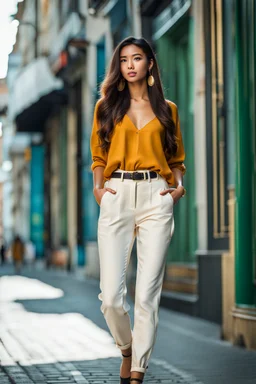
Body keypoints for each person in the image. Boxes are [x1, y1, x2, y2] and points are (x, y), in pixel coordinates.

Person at [90, 36, 186, 384]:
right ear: (120, 65)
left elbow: (176, 156)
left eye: (138, 58)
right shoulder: (106, 107)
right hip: (117, 194)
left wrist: (175, 188)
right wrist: (100, 190)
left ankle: (137, 372)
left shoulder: (167, 110)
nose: (131, 64)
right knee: (112, 299)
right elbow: (98, 155)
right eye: (125, 59)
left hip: (155, 196)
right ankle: (127, 349)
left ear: (150, 65)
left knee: (147, 293)